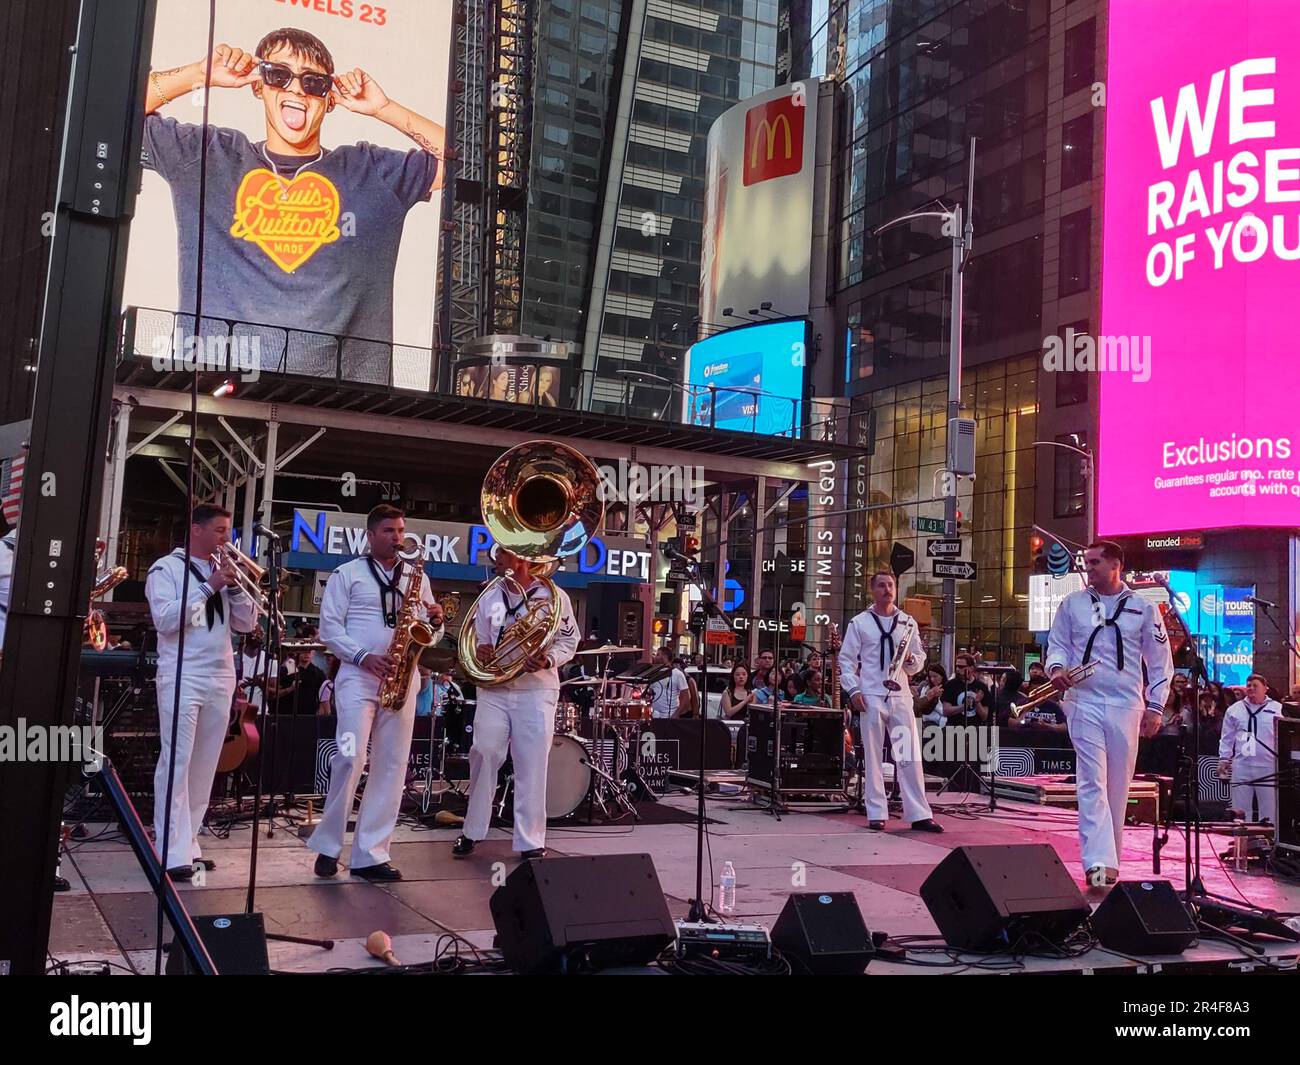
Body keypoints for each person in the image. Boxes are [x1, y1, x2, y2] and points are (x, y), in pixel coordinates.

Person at [143, 28, 445, 344]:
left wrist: (384, 109)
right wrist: (198, 74)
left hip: (337, 391)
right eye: (279, 75)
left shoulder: (369, 171)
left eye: (313, 82)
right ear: (258, 85)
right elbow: (111, 114)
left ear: (330, 100)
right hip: (217, 380)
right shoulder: (209, 155)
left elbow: (466, 164)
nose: (297, 89)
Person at [310, 505, 444, 881]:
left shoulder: (417, 578)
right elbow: (330, 629)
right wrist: (364, 656)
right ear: (370, 535)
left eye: (401, 530)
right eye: (389, 531)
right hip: (357, 677)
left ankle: (371, 855)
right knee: (350, 759)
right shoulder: (346, 574)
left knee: (391, 767)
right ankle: (328, 846)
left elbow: (429, 635)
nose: (397, 538)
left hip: (403, 678)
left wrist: (435, 623)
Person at [1046, 540, 1173, 887]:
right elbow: (1057, 643)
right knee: (1092, 782)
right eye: (1087, 562)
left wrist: (1156, 705)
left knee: (1118, 787)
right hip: (1082, 701)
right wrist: (1056, 668)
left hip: (1126, 705)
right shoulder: (1072, 604)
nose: (1089, 568)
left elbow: (1160, 661)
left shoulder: (1143, 608)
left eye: (1096, 562)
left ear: (1116, 565)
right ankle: (1098, 863)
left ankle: (1108, 863)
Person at [145, 503, 257, 879]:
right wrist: (211, 586)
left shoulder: (222, 572)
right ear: (197, 529)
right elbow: (167, 621)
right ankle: (167, 848)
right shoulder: (168, 569)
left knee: (206, 764)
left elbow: (245, 624)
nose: (228, 538)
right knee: (176, 760)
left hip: (221, 674)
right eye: (222, 530)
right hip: (183, 672)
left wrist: (238, 589)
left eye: (229, 531)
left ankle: (188, 842)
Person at [452, 546, 579, 859]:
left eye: (502, 557)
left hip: (535, 690)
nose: (495, 562)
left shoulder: (555, 596)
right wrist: (482, 651)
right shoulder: (488, 597)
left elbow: (569, 640)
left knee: (531, 763)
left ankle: (530, 840)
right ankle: (472, 830)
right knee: (483, 751)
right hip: (495, 689)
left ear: (520, 559)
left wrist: (548, 659)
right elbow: (479, 640)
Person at [838, 571, 943, 833]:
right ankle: (876, 812)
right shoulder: (859, 623)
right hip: (871, 694)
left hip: (901, 694)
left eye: (891, 585)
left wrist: (912, 663)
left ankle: (919, 813)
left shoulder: (908, 622)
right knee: (873, 755)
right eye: (882, 585)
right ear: (873, 590)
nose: (887, 589)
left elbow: (919, 657)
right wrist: (853, 691)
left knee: (909, 754)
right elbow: (846, 661)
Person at [1219, 674, 1281, 824]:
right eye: (1249, 685)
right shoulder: (1235, 710)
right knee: (1240, 809)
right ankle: (1241, 841)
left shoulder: (1277, 708)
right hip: (1242, 765)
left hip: (1268, 765)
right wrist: (1224, 759)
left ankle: (1267, 841)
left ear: (1265, 689)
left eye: (1255, 685)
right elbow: (1227, 737)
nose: (1251, 688)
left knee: (1269, 808)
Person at [941, 654, 991, 723]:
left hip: (975, 729)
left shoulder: (981, 687)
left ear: (971, 668)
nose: (957, 669)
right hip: (954, 729)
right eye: (956, 666)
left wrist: (977, 703)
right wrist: (963, 706)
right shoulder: (950, 685)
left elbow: (984, 717)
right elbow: (946, 711)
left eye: (961, 667)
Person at [647, 646, 690, 718]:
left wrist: (677, 713)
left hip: (670, 715)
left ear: (664, 656)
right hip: (654, 715)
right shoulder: (653, 673)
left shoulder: (677, 674)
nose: (655, 657)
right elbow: (650, 693)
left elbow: (686, 696)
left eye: (658, 654)